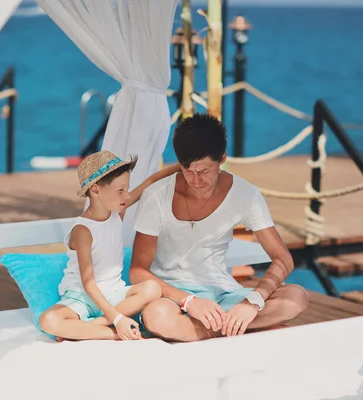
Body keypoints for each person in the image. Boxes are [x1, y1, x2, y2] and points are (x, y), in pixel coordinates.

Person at [129, 113, 309, 342]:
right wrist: (189, 302)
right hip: (173, 297)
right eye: (187, 170)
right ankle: (240, 329)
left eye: (204, 171)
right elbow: (138, 271)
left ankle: (204, 330)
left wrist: (253, 302)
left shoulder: (246, 195)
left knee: (296, 297)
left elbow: (283, 259)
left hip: (224, 294)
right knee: (157, 316)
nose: (195, 180)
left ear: (222, 158)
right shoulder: (157, 196)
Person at [39, 150, 181, 341]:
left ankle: (93, 327)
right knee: (48, 320)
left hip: (115, 295)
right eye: (121, 190)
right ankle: (114, 332)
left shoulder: (116, 212)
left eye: (127, 189)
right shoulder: (83, 231)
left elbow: (149, 182)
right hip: (82, 298)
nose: (127, 195)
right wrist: (118, 318)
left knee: (153, 288)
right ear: (95, 190)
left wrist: (184, 165)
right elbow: (88, 283)